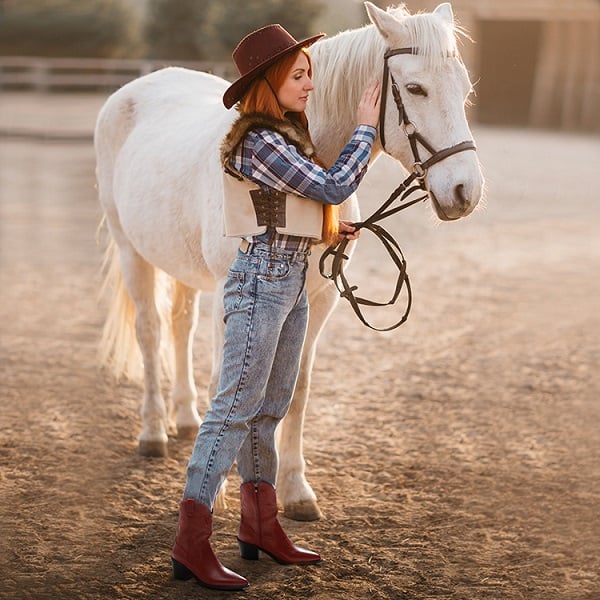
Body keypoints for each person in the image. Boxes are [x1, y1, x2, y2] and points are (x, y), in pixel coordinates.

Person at [171, 24, 381, 591]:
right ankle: (191, 543)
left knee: (271, 406)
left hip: (286, 277)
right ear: (270, 82)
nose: (310, 83)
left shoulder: (286, 139)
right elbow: (331, 186)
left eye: (310, 72)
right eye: (299, 74)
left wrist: (332, 235)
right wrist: (366, 129)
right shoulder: (256, 142)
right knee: (234, 409)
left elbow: (288, 210)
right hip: (261, 280)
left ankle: (260, 527)